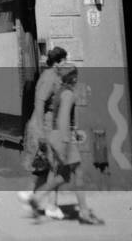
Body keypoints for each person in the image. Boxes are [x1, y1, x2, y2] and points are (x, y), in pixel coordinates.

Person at [29, 65, 104, 225]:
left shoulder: (60, 92)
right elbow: (63, 118)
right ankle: (83, 212)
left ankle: (36, 198)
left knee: (64, 176)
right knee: (78, 174)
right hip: (63, 138)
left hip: (57, 135)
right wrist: (65, 143)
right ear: (74, 78)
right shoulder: (68, 94)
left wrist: (71, 132)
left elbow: (61, 118)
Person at [18, 46, 68, 217]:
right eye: (64, 60)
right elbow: (39, 103)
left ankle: (31, 195)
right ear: (58, 62)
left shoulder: (54, 76)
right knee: (56, 167)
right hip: (44, 126)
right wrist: (41, 131)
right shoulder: (49, 78)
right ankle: (50, 206)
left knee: (47, 167)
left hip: (49, 125)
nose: (66, 63)